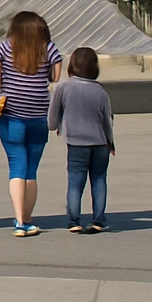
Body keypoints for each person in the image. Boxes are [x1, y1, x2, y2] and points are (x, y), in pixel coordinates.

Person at [0, 11, 63, 236]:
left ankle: (20, 221)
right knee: (31, 171)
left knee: (16, 167)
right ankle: (28, 218)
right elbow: (56, 79)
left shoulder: (3, 48)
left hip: (11, 117)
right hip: (39, 117)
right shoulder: (49, 49)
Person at [49, 46, 115, 233]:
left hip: (76, 143)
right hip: (100, 143)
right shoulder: (100, 92)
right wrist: (110, 142)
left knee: (75, 181)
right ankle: (98, 220)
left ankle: (74, 221)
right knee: (99, 179)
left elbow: (52, 119)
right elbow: (107, 120)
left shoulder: (63, 87)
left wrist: (57, 126)